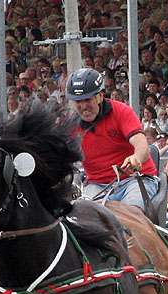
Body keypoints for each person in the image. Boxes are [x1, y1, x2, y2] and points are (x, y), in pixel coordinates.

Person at [67, 68, 159, 213]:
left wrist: (137, 157)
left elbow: (142, 144)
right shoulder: (70, 125)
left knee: (129, 214)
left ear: (100, 97)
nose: (83, 106)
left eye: (88, 100)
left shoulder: (122, 111)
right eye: (78, 101)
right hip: (97, 185)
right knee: (84, 215)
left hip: (134, 179)